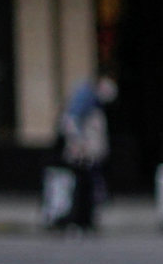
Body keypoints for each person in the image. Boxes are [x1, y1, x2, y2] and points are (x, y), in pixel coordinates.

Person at [47, 73, 114, 234]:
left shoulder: (91, 103)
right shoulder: (85, 101)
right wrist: (80, 145)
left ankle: (85, 220)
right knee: (81, 189)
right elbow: (72, 125)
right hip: (83, 155)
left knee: (87, 189)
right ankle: (78, 220)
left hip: (88, 154)